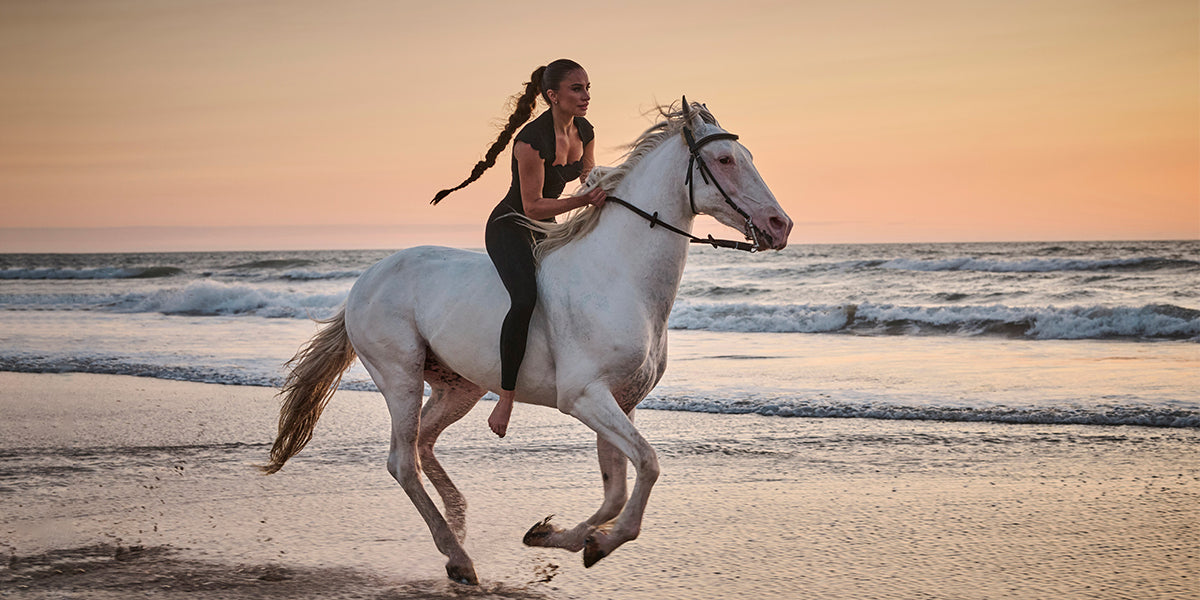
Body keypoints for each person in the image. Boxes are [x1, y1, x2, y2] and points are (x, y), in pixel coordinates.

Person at [431, 59, 606, 438]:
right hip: (511, 226)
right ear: (552, 96)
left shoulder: (585, 129)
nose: (586, 95)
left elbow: (588, 177)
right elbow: (532, 206)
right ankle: (506, 396)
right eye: (576, 88)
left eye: (588, 87)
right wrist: (584, 202)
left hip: (546, 226)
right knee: (525, 298)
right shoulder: (530, 140)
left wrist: (608, 187)